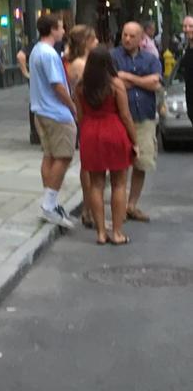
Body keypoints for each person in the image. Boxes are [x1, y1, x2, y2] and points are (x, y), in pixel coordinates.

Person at [75, 46, 137, 246]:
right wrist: (134, 140)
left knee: (96, 184)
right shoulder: (115, 84)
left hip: (90, 133)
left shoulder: (81, 87)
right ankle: (117, 232)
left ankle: (101, 233)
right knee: (119, 183)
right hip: (114, 131)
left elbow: (80, 115)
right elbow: (125, 116)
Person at [28, 14, 76, 228]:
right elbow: (57, 85)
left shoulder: (36, 50)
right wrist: (72, 105)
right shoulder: (49, 54)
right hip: (56, 112)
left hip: (40, 110)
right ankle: (49, 204)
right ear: (52, 30)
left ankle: (51, 202)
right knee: (64, 156)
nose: (63, 31)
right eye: (61, 27)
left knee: (49, 155)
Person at [111, 21, 163, 222]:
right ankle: (120, 206)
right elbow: (114, 83)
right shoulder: (113, 57)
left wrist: (128, 78)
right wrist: (142, 81)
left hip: (144, 118)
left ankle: (131, 205)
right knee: (121, 164)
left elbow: (155, 84)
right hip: (120, 119)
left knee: (142, 164)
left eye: (132, 36)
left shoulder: (150, 58)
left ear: (142, 39)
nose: (127, 39)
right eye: (125, 34)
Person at [64, 25, 100, 228]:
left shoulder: (84, 62)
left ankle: (90, 208)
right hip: (87, 116)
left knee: (90, 165)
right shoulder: (80, 64)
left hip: (87, 116)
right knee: (89, 166)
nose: (97, 42)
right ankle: (89, 209)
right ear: (85, 42)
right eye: (94, 39)